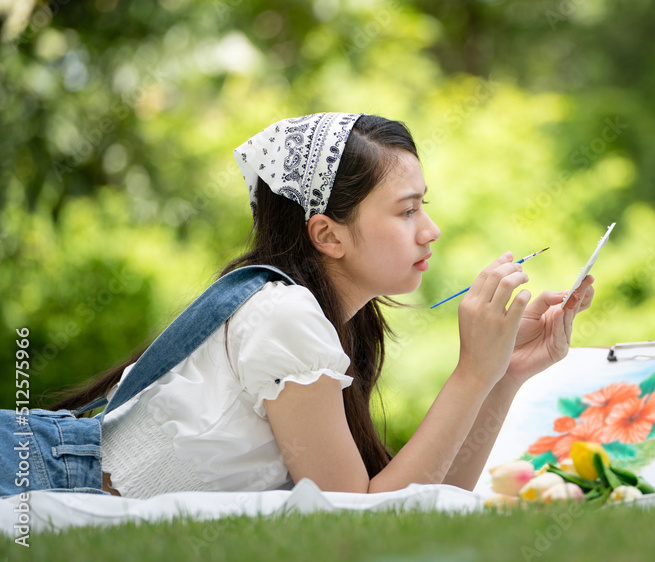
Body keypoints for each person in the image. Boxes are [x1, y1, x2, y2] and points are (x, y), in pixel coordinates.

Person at [50, 112, 595, 498]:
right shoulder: (284, 317)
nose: (430, 231)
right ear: (327, 235)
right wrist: (472, 373)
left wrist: (502, 375)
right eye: (406, 211)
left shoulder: (331, 324)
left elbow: (425, 504)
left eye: (423, 207)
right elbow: (359, 525)